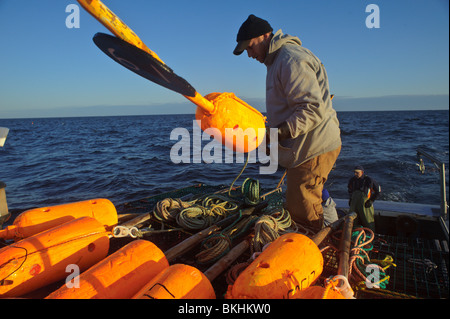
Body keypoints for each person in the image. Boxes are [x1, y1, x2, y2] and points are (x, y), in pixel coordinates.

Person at [233, 15, 341, 230]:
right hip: (304, 147)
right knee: (307, 192)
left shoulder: (290, 59)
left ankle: (318, 249)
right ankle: (332, 222)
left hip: (313, 148)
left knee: (303, 207)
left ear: (265, 36)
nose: (249, 54)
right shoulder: (277, 61)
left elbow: (311, 108)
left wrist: (274, 133)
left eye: (250, 47)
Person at [347, 165, 381, 231]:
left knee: (368, 222)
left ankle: (370, 237)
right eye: (354, 172)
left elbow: (378, 191)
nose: (355, 174)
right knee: (352, 221)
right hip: (354, 205)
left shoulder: (369, 180)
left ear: (362, 172)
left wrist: (371, 201)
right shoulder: (352, 180)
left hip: (365, 205)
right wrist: (351, 199)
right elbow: (350, 190)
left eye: (357, 172)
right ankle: (354, 236)